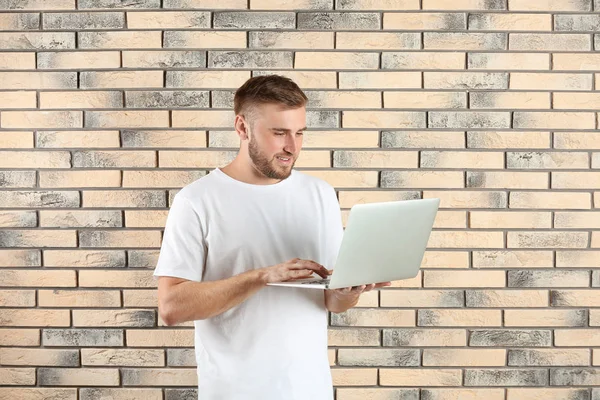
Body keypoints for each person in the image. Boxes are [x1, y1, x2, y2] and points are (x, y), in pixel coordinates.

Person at [154, 74, 391, 400]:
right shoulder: (197, 200)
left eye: (299, 133)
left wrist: (351, 290)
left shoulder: (319, 194)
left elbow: (332, 302)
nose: (291, 147)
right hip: (234, 391)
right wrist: (263, 277)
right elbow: (171, 307)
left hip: (310, 389)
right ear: (242, 128)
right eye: (279, 133)